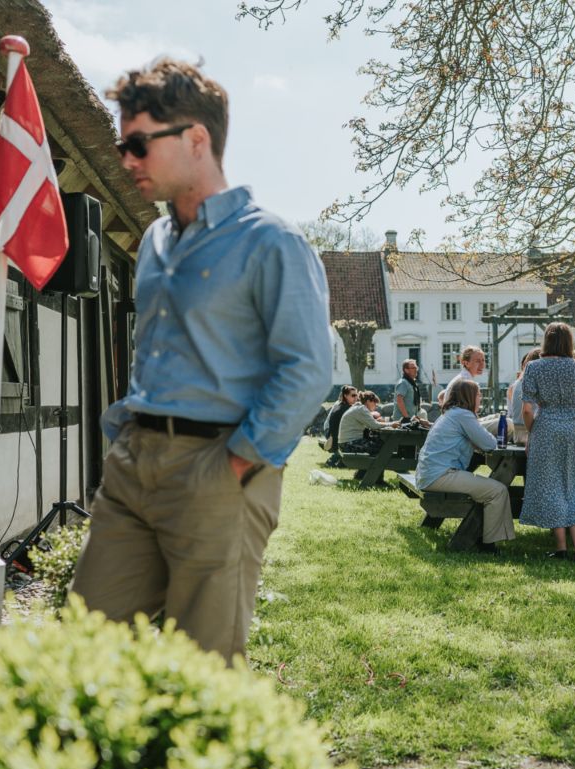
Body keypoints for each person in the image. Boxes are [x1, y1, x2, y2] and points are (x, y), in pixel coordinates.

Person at [69, 58, 333, 665]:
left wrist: (234, 464)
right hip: (134, 465)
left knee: (200, 665)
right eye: (122, 146)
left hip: (218, 468)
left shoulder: (273, 242)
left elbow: (307, 369)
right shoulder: (156, 242)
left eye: (139, 144)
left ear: (195, 139)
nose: (126, 160)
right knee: (87, 652)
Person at [519, 323, 575, 561]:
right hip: (572, 428)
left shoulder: (533, 367)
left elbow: (527, 410)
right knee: (574, 485)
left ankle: (561, 548)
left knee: (552, 486)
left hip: (545, 428)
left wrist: (533, 432)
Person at [416, 380, 515, 551]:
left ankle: (489, 539)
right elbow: (490, 444)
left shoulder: (450, 413)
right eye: (478, 394)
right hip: (440, 475)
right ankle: (487, 545)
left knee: (493, 489)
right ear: (469, 396)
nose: (480, 398)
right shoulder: (463, 415)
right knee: (497, 490)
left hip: (430, 474)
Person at [507, 348, 541, 445]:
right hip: (530, 436)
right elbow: (527, 411)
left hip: (517, 435)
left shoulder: (516, 384)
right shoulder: (533, 383)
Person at [323, 385, 358, 467]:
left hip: (334, 436)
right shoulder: (347, 408)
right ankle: (335, 460)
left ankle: (338, 461)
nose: (356, 397)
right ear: (345, 396)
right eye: (353, 395)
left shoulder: (340, 405)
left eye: (356, 395)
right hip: (337, 438)